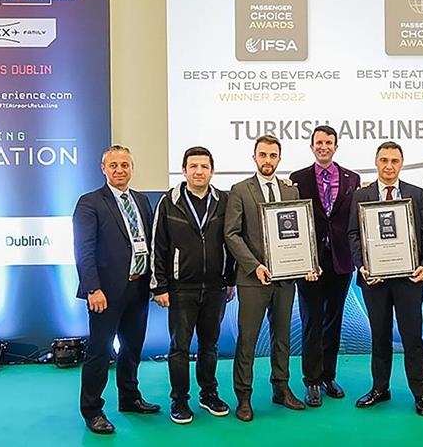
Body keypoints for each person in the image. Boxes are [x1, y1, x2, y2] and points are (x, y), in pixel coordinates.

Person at [223, 135, 318, 422]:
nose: (267, 160)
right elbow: (231, 234)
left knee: (283, 337)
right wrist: (254, 266)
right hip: (253, 279)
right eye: (262, 155)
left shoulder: (291, 191)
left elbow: (300, 232)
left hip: (286, 279)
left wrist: (307, 263)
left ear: (279, 158)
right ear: (254, 157)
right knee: (248, 341)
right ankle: (243, 396)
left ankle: (281, 388)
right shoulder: (240, 190)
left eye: (272, 155)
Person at [73, 144, 160, 435]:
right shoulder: (89, 202)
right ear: (103, 169)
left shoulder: (142, 201)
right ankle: (92, 410)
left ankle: (130, 397)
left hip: (139, 286)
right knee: (100, 352)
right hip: (105, 293)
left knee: (132, 348)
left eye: (125, 165)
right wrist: (92, 289)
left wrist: (155, 283)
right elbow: (83, 250)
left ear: (132, 168)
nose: (120, 170)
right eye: (114, 165)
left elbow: (149, 243)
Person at [347, 141, 423, 417]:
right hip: (375, 280)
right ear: (376, 162)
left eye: (394, 161)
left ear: (401, 163)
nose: (388, 166)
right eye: (384, 160)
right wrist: (362, 265)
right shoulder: (361, 195)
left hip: (410, 279)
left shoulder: (416, 194)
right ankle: (380, 388)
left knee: (412, 337)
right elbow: (353, 234)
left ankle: (421, 393)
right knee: (379, 335)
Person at [150, 146, 236, 424]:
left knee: (210, 346)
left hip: (215, 288)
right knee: (180, 348)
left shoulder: (224, 201)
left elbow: (231, 242)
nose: (199, 171)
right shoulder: (168, 202)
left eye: (204, 167)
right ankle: (179, 399)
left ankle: (208, 394)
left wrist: (230, 279)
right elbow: (158, 246)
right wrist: (159, 286)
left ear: (212, 171)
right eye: (194, 166)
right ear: (184, 170)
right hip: (180, 289)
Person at [288, 126, 361, 407]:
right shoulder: (297, 179)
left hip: (341, 260)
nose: (323, 147)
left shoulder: (352, 178)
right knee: (311, 322)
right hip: (309, 261)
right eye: (319, 142)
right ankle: (312, 380)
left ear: (335, 146)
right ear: (312, 146)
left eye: (328, 142)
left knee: (333, 321)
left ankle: (329, 376)